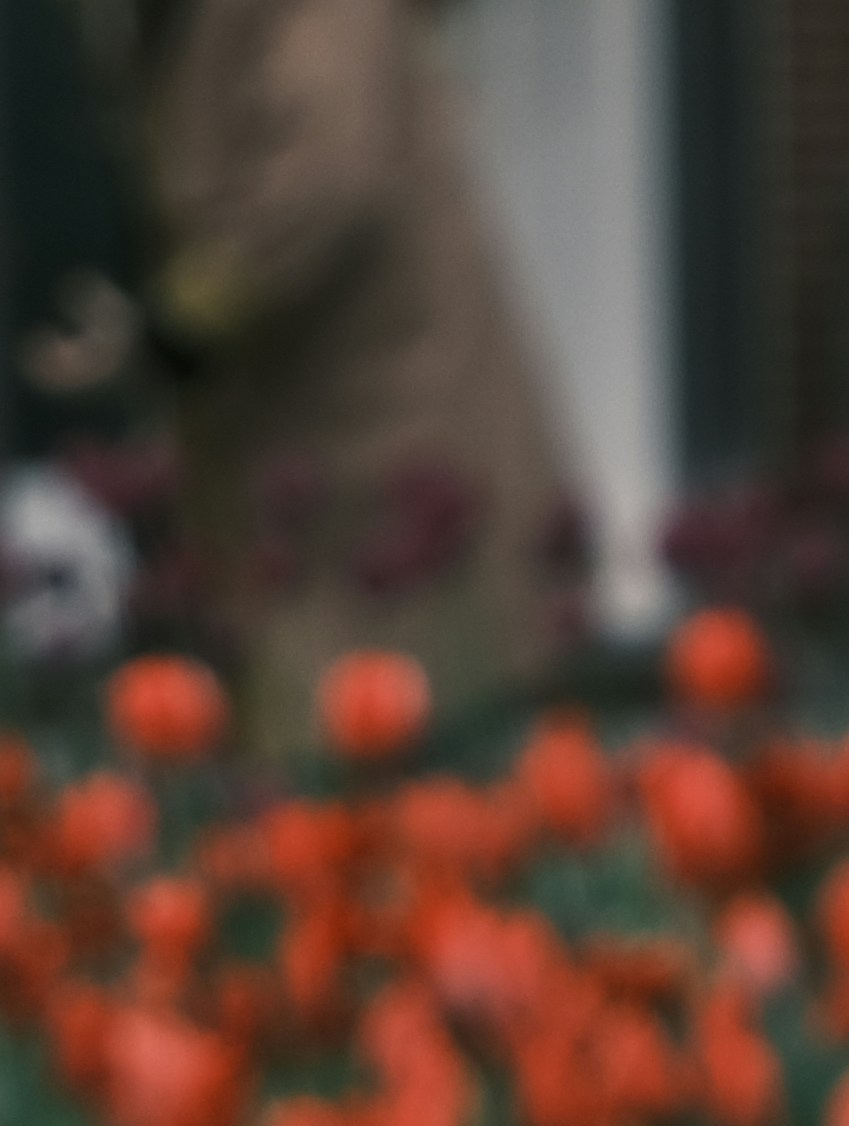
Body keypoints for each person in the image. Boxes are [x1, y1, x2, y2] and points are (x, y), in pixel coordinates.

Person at [61, 0, 576, 728]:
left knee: (408, 732)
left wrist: (184, 322)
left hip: (384, 437)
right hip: (309, 449)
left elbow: (327, 173)